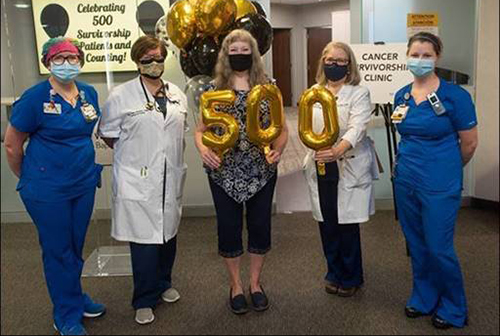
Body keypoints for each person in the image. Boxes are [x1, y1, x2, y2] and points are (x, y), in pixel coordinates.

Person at [4, 37, 105, 336]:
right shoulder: (34, 98)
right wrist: (31, 177)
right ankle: (65, 315)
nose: (66, 64)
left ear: (81, 61)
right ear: (47, 62)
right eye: (59, 58)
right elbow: (12, 146)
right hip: (47, 190)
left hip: (83, 182)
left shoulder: (88, 93)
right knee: (58, 250)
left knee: (74, 246)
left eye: (72, 58)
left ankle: (74, 297)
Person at [194, 29, 288, 314]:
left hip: (261, 169)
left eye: (244, 51)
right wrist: (203, 150)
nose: (239, 56)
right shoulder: (213, 88)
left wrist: (279, 150)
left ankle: (255, 284)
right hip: (223, 171)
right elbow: (200, 131)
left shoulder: (269, 86)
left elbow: (282, 129)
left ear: (254, 54)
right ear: (225, 55)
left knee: (260, 226)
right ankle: (235, 285)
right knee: (229, 228)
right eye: (233, 52)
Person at [98, 36, 188, 325]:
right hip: (139, 179)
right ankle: (144, 299)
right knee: (145, 243)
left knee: (168, 236)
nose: (154, 64)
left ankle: (164, 283)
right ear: (137, 62)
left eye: (158, 58)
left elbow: (177, 131)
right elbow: (109, 135)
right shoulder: (121, 96)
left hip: (169, 175)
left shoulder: (177, 93)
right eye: (147, 59)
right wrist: (138, 158)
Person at [392, 32, 478, 329]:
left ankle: (455, 307)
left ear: (437, 57)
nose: (419, 60)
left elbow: (469, 144)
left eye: (426, 55)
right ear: (407, 55)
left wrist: (450, 169)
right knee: (416, 243)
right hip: (406, 180)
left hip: (440, 182)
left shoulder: (456, 97)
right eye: (415, 54)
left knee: (439, 246)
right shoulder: (401, 95)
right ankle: (424, 296)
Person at [303, 41, 379, 298]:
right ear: (323, 62)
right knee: (327, 222)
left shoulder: (359, 93)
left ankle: (352, 276)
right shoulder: (313, 92)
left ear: (349, 65)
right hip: (322, 164)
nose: (334, 65)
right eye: (330, 60)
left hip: (347, 162)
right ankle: (333, 272)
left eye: (340, 61)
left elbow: (358, 127)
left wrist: (338, 150)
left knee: (347, 225)